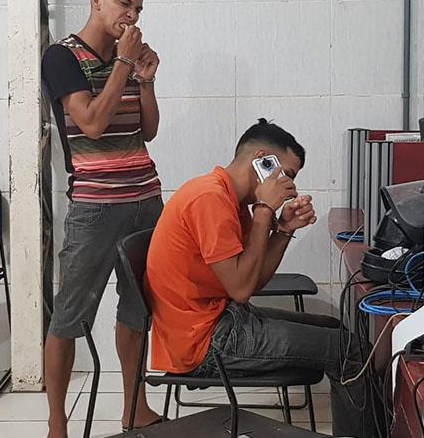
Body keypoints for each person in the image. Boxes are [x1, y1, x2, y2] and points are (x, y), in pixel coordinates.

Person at [145, 119, 373, 437]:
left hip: (220, 320)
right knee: (353, 352)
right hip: (204, 342)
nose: (289, 186)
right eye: (286, 174)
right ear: (262, 160)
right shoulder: (209, 199)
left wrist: (284, 229)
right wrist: (265, 209)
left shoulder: (232, 199)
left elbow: (252, 282)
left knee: (337, 330)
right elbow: (241, 290)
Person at [40, 0, 163, 438]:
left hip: (145, 201)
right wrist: (124, 65)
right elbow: (90, 123)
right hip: (95, 207)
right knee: (69, 316)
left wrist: (145, 80)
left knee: (137, 310)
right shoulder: (62, 57)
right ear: (96, 0)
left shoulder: (126, 58)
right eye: (124, 4)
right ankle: (57, 424)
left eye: (138, 9)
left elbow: (147, 130)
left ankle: (135, 408)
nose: (131, 16)